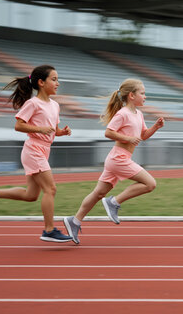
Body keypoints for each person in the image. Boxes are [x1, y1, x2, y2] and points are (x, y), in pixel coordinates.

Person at [0, 65, 73, 242]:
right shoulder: (33, 103)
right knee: (50, 189)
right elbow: (19, 125)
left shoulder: (55, 105)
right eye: (54, 79)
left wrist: (62, 132)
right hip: (33, 149)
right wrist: (40, 128)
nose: (58, 83)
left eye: (57, 79)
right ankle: (49, 230)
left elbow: (53, 130)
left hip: (44, 150)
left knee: (31, 195)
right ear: (41, 82)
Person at [63, 79, 164, 244]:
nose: (145, 96)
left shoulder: (138, 114)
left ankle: (74, 221)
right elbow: (108, 133)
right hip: (119, 158)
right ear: (131, 95)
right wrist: (128, 138)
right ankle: (114, 202)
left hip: (117, 159)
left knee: (99, 193)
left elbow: (143, 135)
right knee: (150, 184)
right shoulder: (123, 113)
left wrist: (156, 127)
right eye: (143, 93)